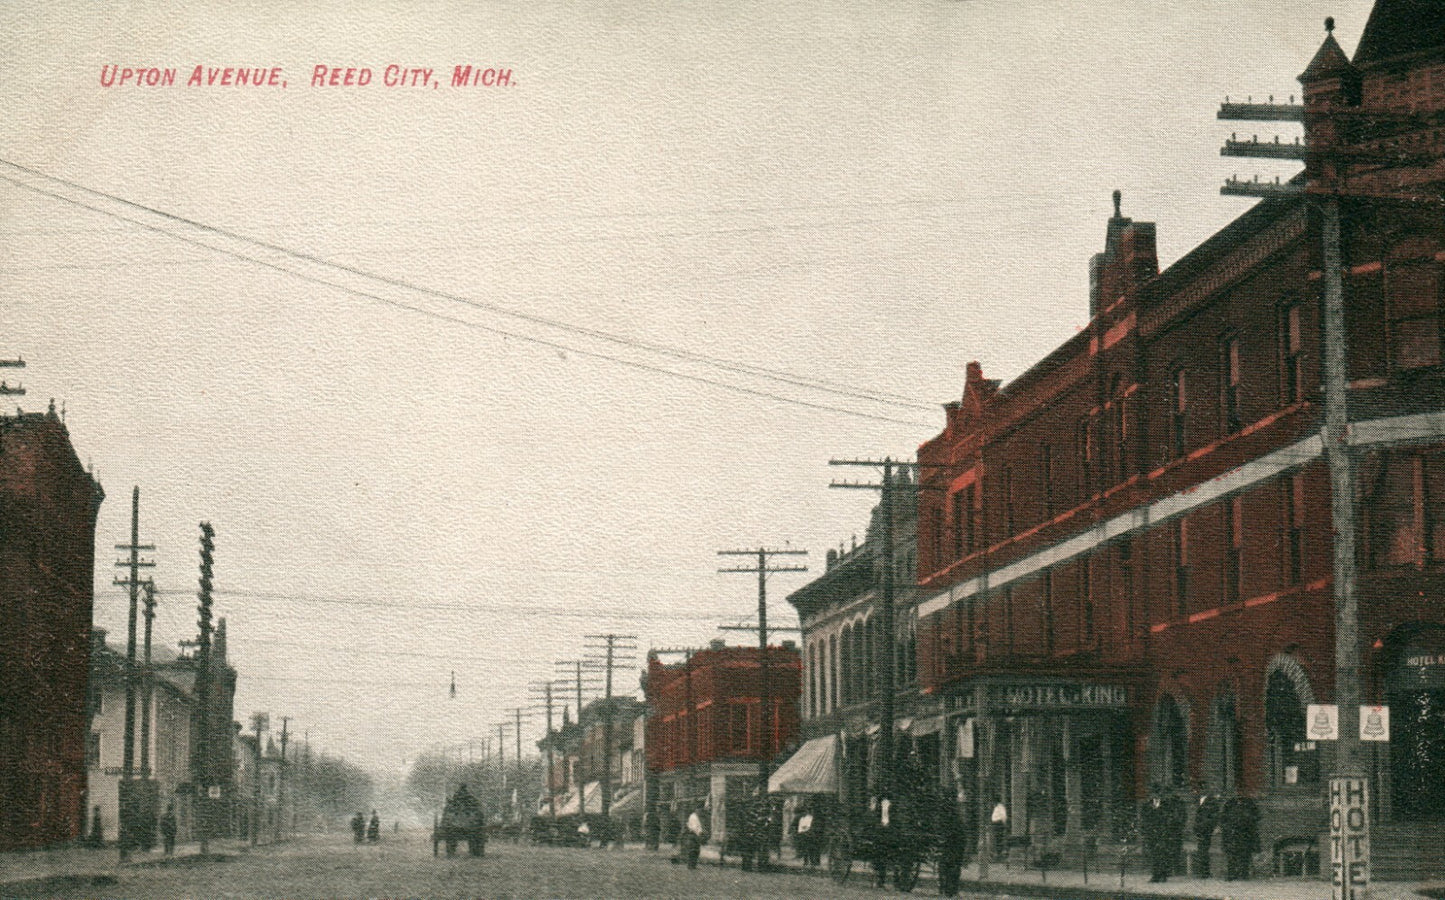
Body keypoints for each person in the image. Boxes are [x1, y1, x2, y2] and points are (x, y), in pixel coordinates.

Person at [1220, 794, 1260, 881]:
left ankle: (1243, 874)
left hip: (1245, 835)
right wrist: (1227, 829)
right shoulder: (1229, 804)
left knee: (1244, 855)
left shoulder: (1250, 805)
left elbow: (1256, 818)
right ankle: (1232, 874)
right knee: (1232, 855)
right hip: (1232, 834)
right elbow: (1223, 819)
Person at [1141, 791, 1171, 883]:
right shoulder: (1147, 805)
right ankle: (1155, 875)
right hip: (1151, 834)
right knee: (1154, 855)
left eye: (1158, 793)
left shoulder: (1166, 805)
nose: (1156, 795)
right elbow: (1144, 819)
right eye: (1154, 793)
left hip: (1163, 834)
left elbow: (1169, 819)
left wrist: (1165, 830)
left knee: (1163, 855)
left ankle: (1163, 875)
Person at [1194, 793, 1221, 878]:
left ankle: (1203, 871)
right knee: (1203, 850)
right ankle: (1204, 872)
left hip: (1203, 829)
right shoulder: (1210, 804)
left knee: (1202, 850)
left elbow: (1200, 817)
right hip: (1204, 830)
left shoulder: (1207, 803)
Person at [683, 804, 705, 870]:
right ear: (696, 810)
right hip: (693, 835)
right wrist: (699, 834)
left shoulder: (697, 817)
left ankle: (693, 865)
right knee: (692, 850)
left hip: (696, 835)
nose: (700, 811)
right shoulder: (693, 817)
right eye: (699, 810)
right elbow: (694, 828)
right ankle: (691, 866)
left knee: (696, 850)